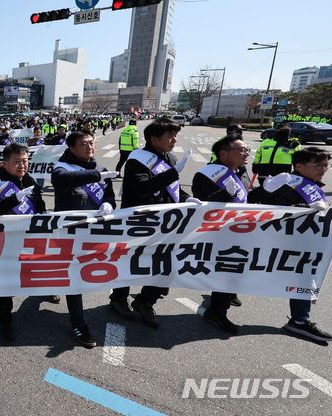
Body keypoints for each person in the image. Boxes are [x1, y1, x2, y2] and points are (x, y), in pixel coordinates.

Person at [109, 118, 192, 327]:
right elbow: (143, 188)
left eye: (175, 135)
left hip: (166, 223)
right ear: (154, 139)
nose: (174, 140)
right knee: (131, 263)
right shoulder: (137, 160)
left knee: (165, 264)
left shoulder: (170, 158)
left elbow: (172, 188)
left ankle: (145, 301)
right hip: (139, 222)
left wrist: (187, 198)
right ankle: (118, 299)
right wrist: (173, 173)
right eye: (170, 136)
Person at [248, 147, 332, 342]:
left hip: (303, 243)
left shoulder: (309, 183)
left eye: (326, 165)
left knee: (303, 279)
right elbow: (275, 211)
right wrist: (306, 208)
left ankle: (299, 320)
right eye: (318, 165)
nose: (323, 169)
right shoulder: (289, 184)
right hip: (285, 242)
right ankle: (217, 305)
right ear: (300, 166)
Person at [0, 143, 56, 341]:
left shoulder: (29, 180)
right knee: (6, 284)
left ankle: (46, 290)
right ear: (5, 164)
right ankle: (5, 321)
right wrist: (14, 199)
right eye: (16, 162)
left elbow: (40, 204)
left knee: (37, 268)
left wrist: (43, 215)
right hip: (6, 241)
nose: (22, 165)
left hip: (30, 238)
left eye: (24, 161)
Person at [51, 130, 117, 348]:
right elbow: (62, 181)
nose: (90, 147)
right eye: (84, 144)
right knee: (74, 277)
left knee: (70, 272)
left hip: (93, 234)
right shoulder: (62, 168)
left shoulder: (100, 168)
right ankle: (78, 323)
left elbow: (109, 195)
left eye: (91, 143)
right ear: (71, 148)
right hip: (69, 234)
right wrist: (96, 176)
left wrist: (108, 204)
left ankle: (49, 286)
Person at [191, 135, 251, 334]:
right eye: (241, 150)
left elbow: (245, 199)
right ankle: (217, 312)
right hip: (217, 233)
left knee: (231, 271)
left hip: (240, 230)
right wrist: (226, 194)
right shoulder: (206, 174)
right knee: (224, 270)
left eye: (247, 149)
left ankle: (222, 302)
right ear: (223, 153)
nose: (246, 153)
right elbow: (204, 205)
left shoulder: (240, 171)